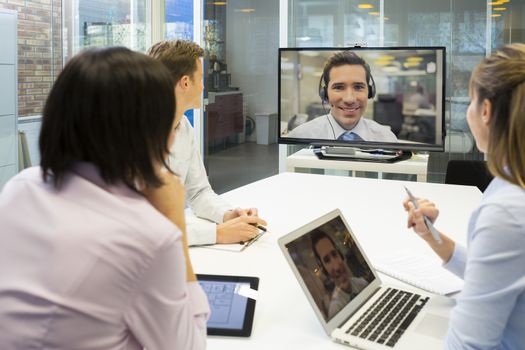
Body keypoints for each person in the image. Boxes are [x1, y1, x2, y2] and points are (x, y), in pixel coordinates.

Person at [0, 47, 209, 349]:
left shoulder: (20, 189)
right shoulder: (150, 238)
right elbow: (189, 346)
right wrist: (173, 221)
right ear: (144, 129)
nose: (173, 133)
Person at [403, 43, 525, 349]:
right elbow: (497, 274)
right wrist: (432, 237)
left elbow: (468, 345)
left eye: (471, 101)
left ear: (485, 111)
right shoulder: (510, 182)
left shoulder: (507, 208)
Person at [148, 40, 267, 246]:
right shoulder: (132, 135)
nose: (203, 86)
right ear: (186, 83)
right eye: (201, 78)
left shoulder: (183, 126)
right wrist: (217, 233)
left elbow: (199, 192)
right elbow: (146, 225)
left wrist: (228, 215)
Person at [287, 51, 397, 142]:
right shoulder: (300, 137)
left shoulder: (387, 138)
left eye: (358, 87)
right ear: (325, 94)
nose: (349, 99)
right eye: (339, 87)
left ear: (370, 92)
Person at [311, 230, 369, 319]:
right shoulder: (335, 310)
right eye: (327, 260)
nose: (337, 267)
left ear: (340, 255)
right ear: (324, 270)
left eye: (334, 254)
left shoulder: (362, 283)